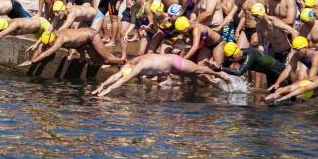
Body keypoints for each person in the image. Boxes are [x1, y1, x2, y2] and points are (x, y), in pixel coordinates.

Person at [93, 53, 231, 97]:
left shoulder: (138, 66)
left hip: (175, 62)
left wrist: (107, 91)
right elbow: (118, 76)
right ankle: (225, 89)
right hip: (171, 69)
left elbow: (123, 80)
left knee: (199, 71)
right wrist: (103, 85)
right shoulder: (130, 64)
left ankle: (220, 74)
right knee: (198, 77)